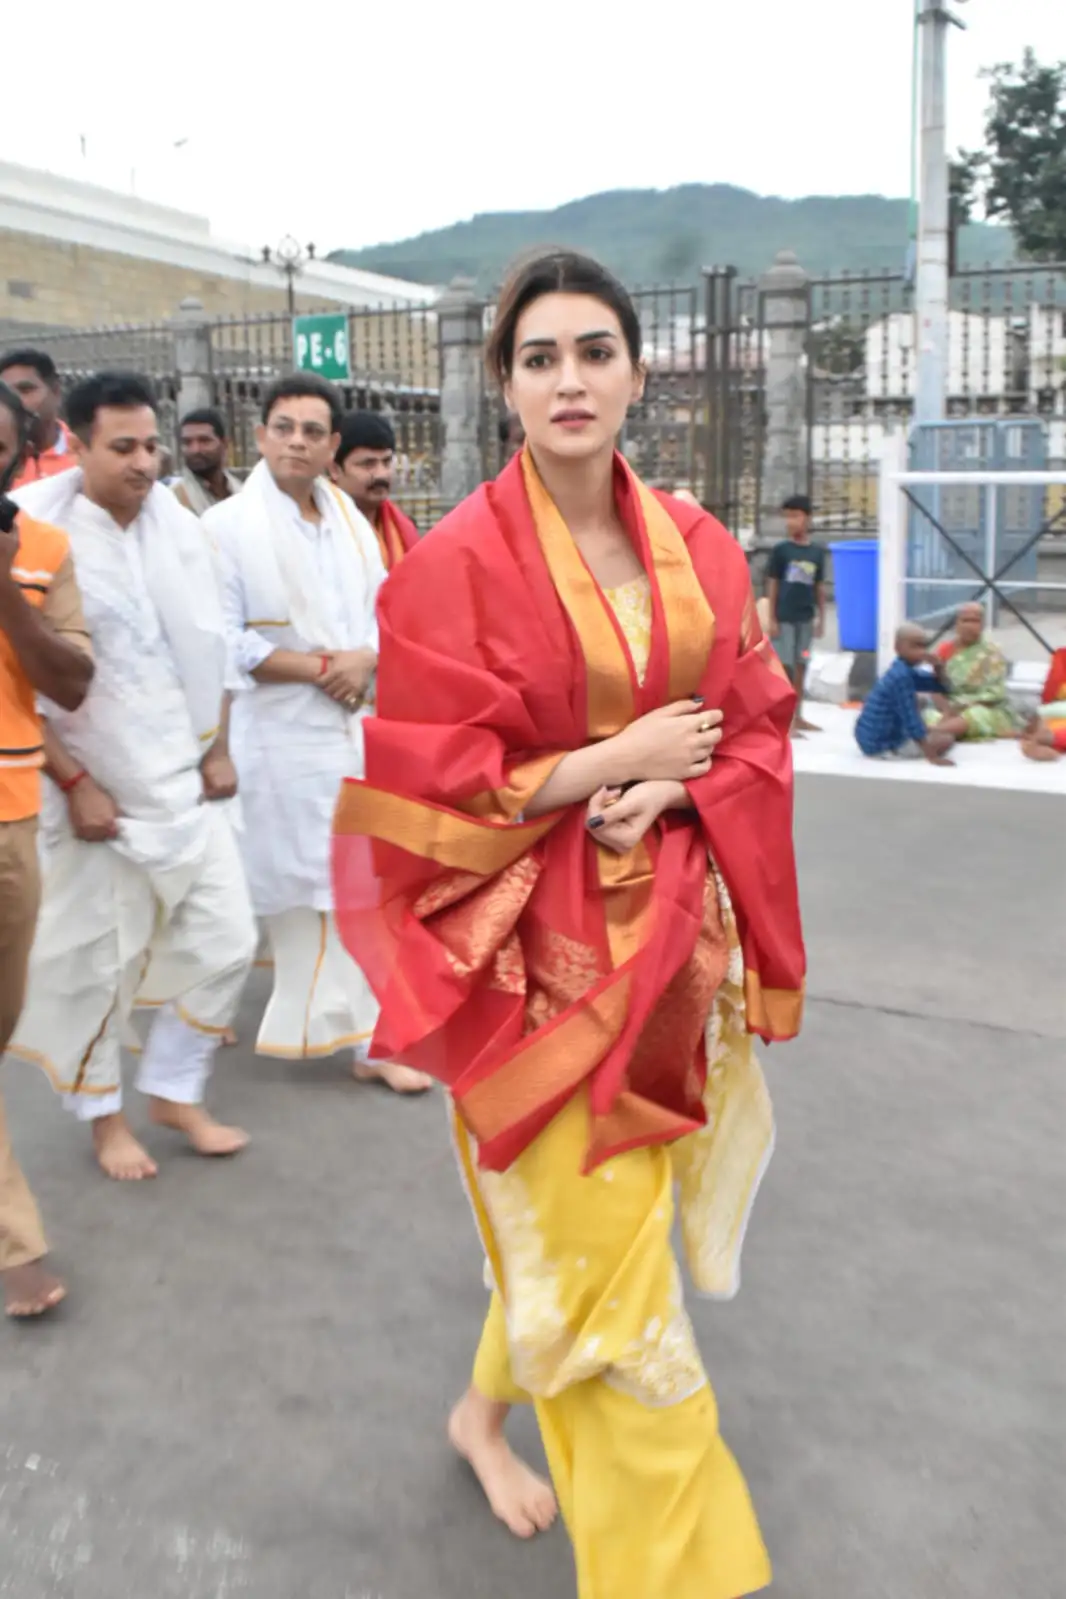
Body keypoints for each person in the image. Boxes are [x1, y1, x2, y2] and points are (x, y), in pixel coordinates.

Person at [332, 250, 805, 1598]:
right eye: (538, 357)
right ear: (504, 385)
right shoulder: (451, 568)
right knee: (617, 1309)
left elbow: (754, 725)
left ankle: (477, 1414)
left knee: (595, 1243)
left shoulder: (700, 549)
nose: (569, 379)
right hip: (528, 978)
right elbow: (426, 789)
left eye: (594, 351)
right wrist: (609, 761)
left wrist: (677, 781)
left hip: (671, 961)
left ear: (637, 374)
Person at [10, 373, 257, 1182]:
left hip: (183, 776)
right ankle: (106, 1121)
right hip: (91, 791)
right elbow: (14, 685)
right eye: (123, 447)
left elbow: (216, 644)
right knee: (94, 969)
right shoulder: (36, 534)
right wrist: (75, 780)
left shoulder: (181, 527)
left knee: (228, 939)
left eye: (152, 445)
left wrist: (217, 745)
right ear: (76, 446)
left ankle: (175, 1090)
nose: (145, 462)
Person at [206, 374, 430, 1095]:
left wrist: (362, 660)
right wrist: (319, 667)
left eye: (311, 431)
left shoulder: (351, 525)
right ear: (260, 436)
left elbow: (382, 613)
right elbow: (221, 639)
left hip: (346, 724)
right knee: (284, 885)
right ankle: (201, 1001)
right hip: (275, 736)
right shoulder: (226, 529)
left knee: (347, 883)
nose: (296, 442)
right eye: (284, 428)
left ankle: (368, 1038)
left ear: (332, 445)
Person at [0, 382, 94, 1317]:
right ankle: (15, 1242)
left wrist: (3, 586)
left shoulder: (44, 550)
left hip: (11, 813)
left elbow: (69, 681)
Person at [765, 493, 827, 736]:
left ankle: (798, 716)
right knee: (785, 668)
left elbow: (819, 587)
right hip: (784, 619)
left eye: (796, 516)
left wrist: (821, 618)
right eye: (787, 517)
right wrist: (771, 618)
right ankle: (784, 719)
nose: (791, 521)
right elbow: (773, 584)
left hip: (805, 620)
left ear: (807, 518)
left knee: (802, 665)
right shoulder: (781, 551)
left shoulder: (816, 553)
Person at [854, 624, 956, 764]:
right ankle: (902, 748)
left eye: (923, 646)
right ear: (898, 647)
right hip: (881, 745)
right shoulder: (901, 677)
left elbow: (941, 687)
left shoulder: (902, 669)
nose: (921, 652)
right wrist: (932, 756)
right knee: (947, 739)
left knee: (921, 702)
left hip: (867, 738)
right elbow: (911, 719)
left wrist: (938, 667)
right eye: (915, 646)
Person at [330, 412, 419, 571]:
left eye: (386, 462)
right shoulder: (321, 529)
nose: (381, 474)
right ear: (335, 470)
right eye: (368, 464)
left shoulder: (403, 529)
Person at [924, 601, 1020, 742]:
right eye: (965, 620)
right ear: (957, 624)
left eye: (975, 621)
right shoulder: (945, 650)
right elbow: (935, 688)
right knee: (929, 715)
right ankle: (945, 730)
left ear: (982, 625)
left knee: (975, 715)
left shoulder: (991, 652)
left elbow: (995, 694)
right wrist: (946, 710)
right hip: (948, 707)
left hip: (984, 708)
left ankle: (936, 731)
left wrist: (961, 706)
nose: (969, 626)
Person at [0, 350, 74, 491]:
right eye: (7, 393)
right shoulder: (4, 464)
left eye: (26, 390)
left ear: (56, 392)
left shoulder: (85, 454)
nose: (17, 401)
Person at [172, 407, 243, 515]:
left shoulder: (241, 491)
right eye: (187, 442)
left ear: (224, 443)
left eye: (204, 441)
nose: (195, 450)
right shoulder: (174, 501)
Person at [1021, 647, 1066, 762]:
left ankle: (1049, 741)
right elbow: (1049, 696)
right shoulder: (1063, 657)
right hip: (1058, 716)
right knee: (1048, 721)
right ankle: (1046, 742)